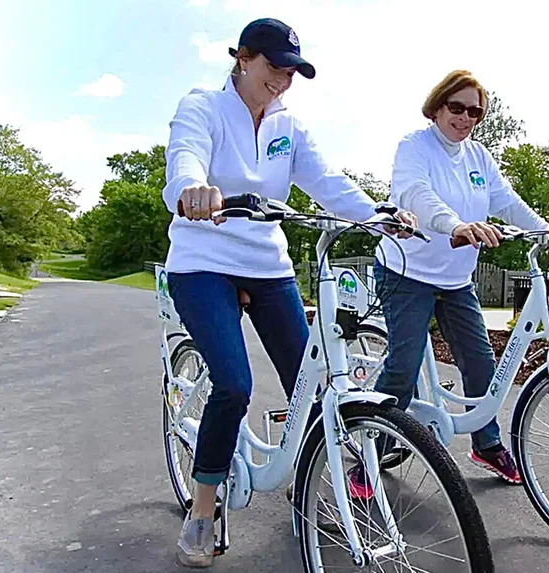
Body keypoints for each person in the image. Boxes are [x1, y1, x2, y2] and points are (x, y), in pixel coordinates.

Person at [160, 18, 417, 568]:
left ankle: (305, 479)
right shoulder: (203, 105)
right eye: (275, 68)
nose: (283, 80)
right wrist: (191, 189)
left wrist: (378, 213)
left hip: (266, 265)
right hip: (203, 260)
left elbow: (326, 181)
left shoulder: (289, 127)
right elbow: (184, 157)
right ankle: (202, 511)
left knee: (313, 381)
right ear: (244, 59)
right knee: (232, 384)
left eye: (292, 72)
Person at [357, 70, 549, 494]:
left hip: (456, 280)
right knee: (402, 366)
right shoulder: (414, 147)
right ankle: (372, 452)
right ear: (437, 107)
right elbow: (416, 195)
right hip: (407, 272)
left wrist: (548, 233)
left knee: (481, 364)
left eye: (474, 111)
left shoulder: (478, 157)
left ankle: (487, 443)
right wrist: (455, 225)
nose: (465, 117)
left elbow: (506, 201)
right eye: (456, 107)